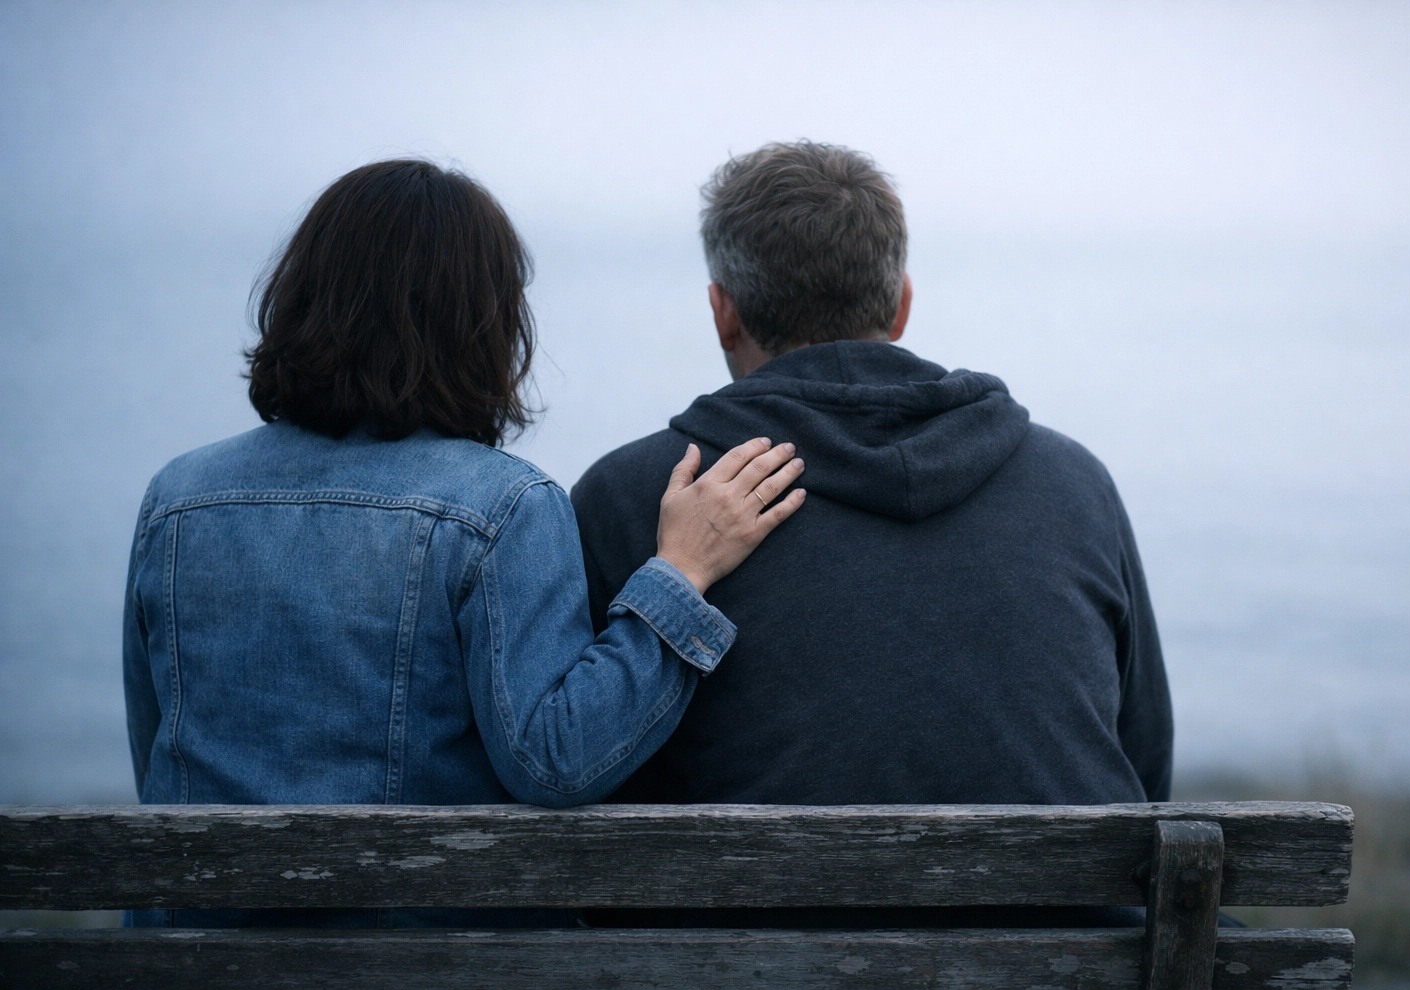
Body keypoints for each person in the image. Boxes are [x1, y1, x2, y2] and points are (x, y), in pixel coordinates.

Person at [122, 159, 805, 927]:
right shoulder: (501, 507)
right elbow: (555, 761)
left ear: (300, 297)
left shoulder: (177, 500)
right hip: (417, 979)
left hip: (191, 971)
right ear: (484, 322)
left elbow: (157, 749)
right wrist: (681, 573)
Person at [572, 144, 1173, 905]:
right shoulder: (1073, 482)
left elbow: (581, 777)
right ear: (900, 304)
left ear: (723, 313)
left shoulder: (640, 495)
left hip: (741, 982)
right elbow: (1145, 761)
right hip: (1078, 982)